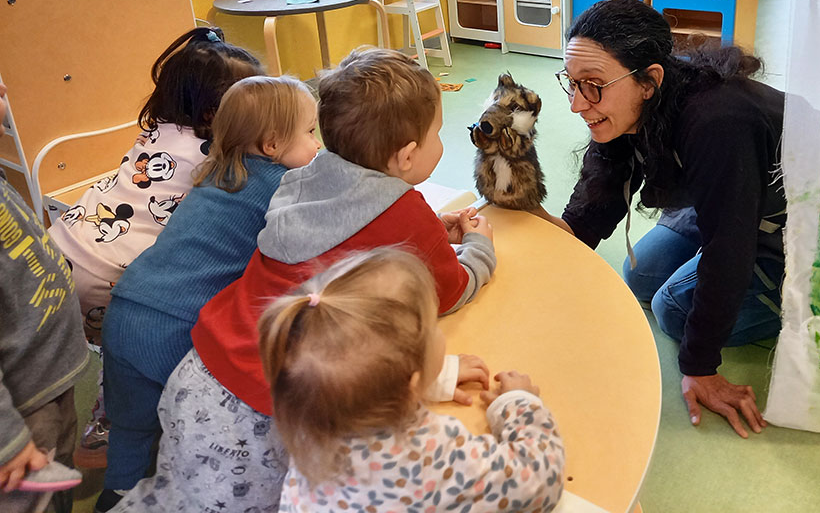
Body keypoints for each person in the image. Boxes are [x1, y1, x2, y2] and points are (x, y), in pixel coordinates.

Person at [112, 47, 496, 512]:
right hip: (265, 405)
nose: (441, 141)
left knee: (182, 498)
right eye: (437, 132)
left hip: (199, 371)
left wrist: (432, 230)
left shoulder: (299, 177)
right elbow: (451, 290)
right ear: (408, 155)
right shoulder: (404, 209)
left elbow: (353, 234)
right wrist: (479, 248)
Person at [534, 0, 785, 438]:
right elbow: (587, 219)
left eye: (592, 85)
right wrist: (519, 209)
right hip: (731, 194)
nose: (577, 104)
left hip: (800, 224)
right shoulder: (636, 97)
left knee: (672, 309)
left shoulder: (718, 122)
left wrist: (700, 367)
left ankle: (803, 300)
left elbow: (729, 248)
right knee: (642, 273)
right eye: (571, 83)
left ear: (649, 81)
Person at [95, 76, 320, 512]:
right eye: (310, 133)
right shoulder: (281, 186)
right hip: (178, 324)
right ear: (272, 145)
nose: (317, 145)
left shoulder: (215, 171)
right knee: (193, 427)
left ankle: (116, 493)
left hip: (124, 309)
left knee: (131, 424)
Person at [46, 26, 262, 469]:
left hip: (59, 252)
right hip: (111, 279)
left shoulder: (156, 133)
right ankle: (113, 427)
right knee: (134, 346)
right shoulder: (218, 154)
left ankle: (83, 431)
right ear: (215, 112)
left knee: (96, 352)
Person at [261, 248, 565, 513]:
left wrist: (436, 378)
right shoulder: (430, 453)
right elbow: (540, 481)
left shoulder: (310, 417)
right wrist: (520, 404)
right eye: (433, 325)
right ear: (410, 383)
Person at [0, 80, 90, 513]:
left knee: (60, 479)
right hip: (21, 412)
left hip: (46, 380)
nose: (3, 84)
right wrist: (7, 443)